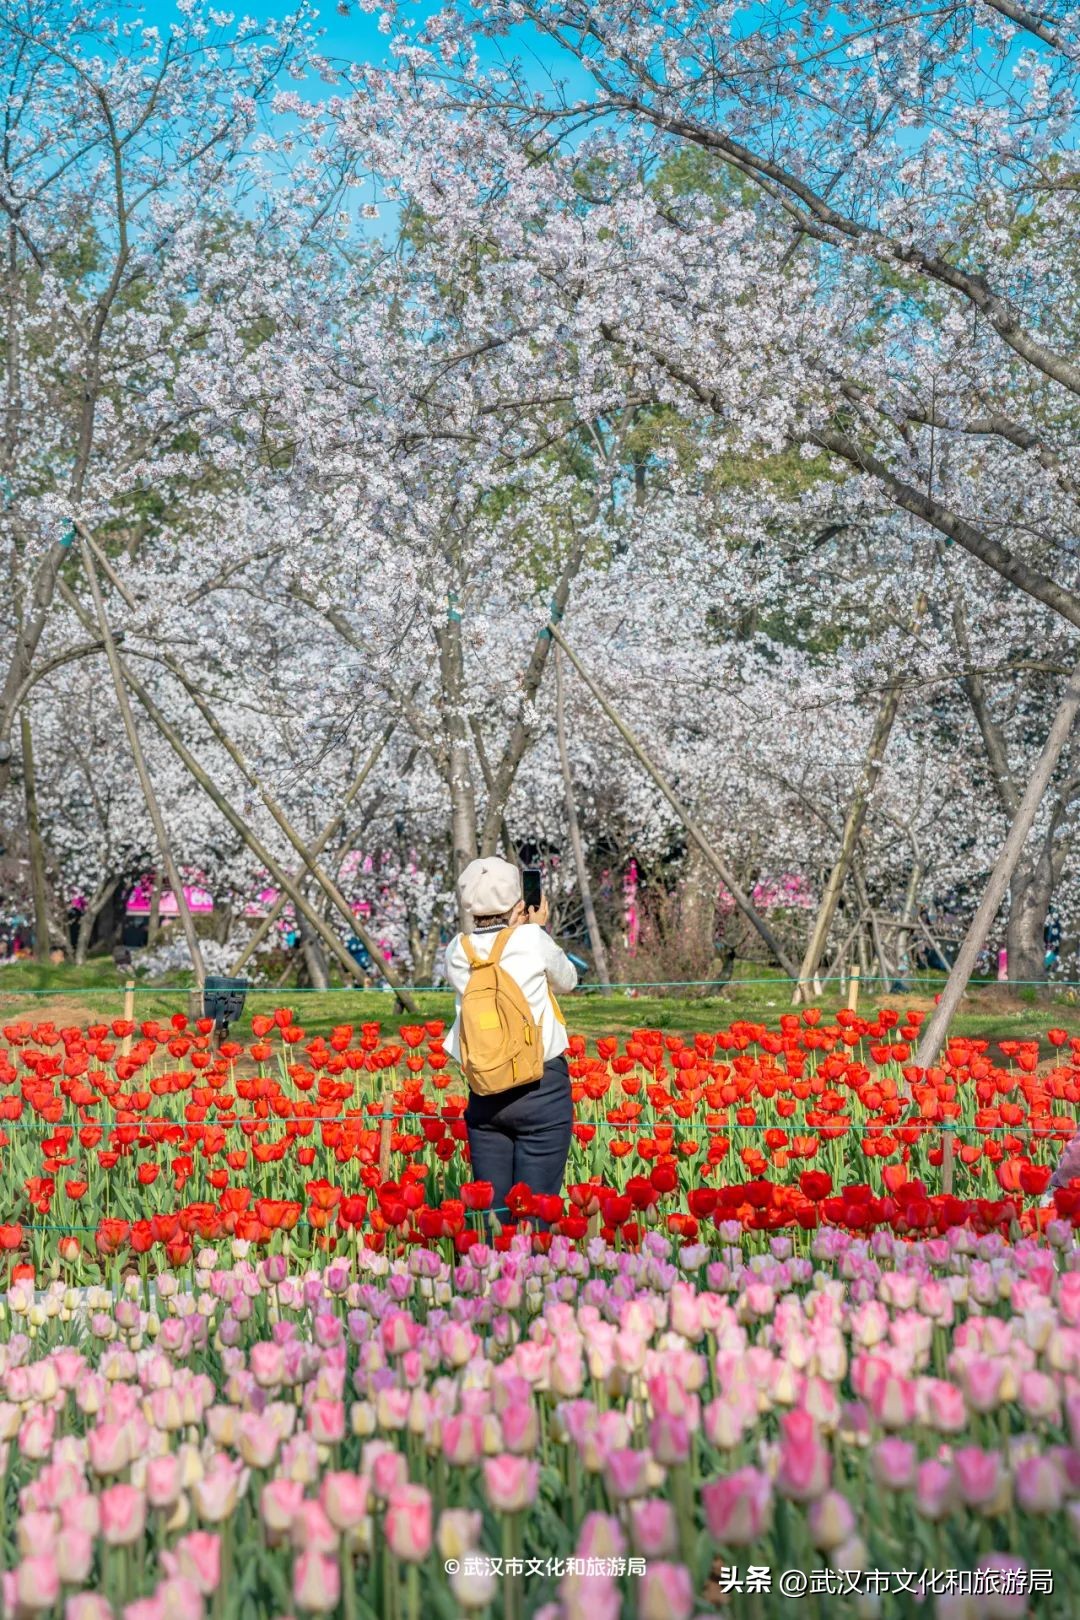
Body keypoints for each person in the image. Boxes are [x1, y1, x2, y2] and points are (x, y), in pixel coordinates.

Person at [445, 856, 578, 1225]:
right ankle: (531, 1278)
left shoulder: (458, 951)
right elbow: (568, 980)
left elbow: (493, 948)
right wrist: (537, 928)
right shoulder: (532, 939)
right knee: (534, 1214)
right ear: (520, 903)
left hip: (485, 1093)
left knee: (493, 1218)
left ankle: (489, 1280)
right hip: (541, 1088)